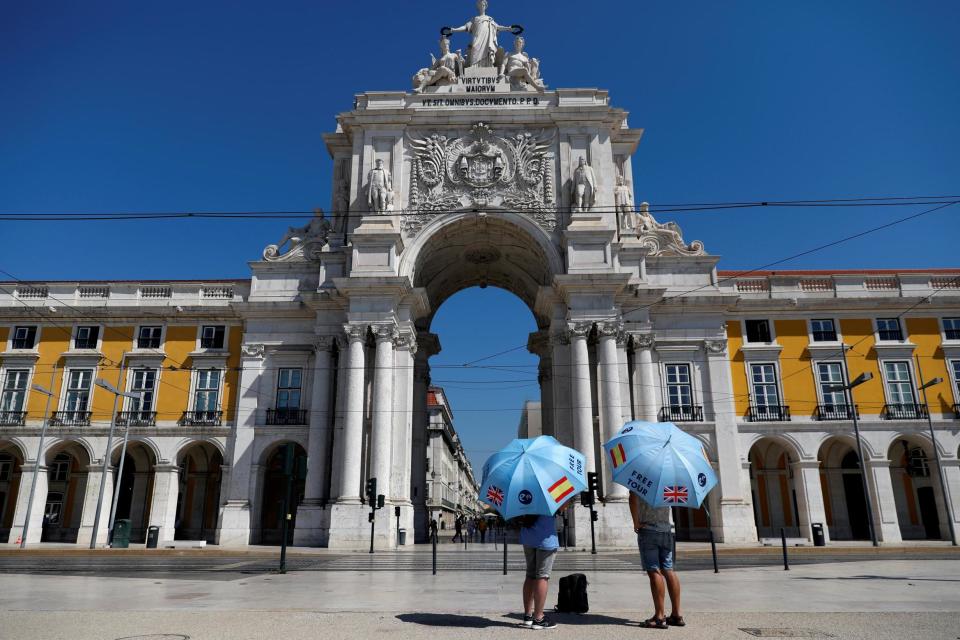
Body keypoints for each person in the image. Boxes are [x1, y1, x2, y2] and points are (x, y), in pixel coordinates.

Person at [629, 492, 684, 629]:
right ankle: (677, 615)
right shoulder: (667, 480)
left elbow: (633, 499)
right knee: (669, 570)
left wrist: (636, 522)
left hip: (648, 530)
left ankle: (659, 616)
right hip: (666, 530)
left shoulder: (640, 477)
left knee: (654, 571)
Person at [518, 511, 560, 630]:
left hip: (528, 536)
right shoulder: (548, 494)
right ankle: (539, 618)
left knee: (530, 575)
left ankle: (527, 617)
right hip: (545, 536)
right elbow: (562, 505)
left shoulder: (528, 493)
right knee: (542, 576)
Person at [449, 0, 513, 68]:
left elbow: (498, 27)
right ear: (478, 6)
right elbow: (465, 27)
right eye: (480, 4)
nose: (482, 6)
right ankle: (474, 67)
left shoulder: (489, 19)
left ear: (485, 6)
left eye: (483, 4)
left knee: (487, 50)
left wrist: (508, 28)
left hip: (487, 39)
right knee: (474, 48)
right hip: (477, 38)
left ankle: (487, 67)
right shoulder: (475, 19)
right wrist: (454, 30)